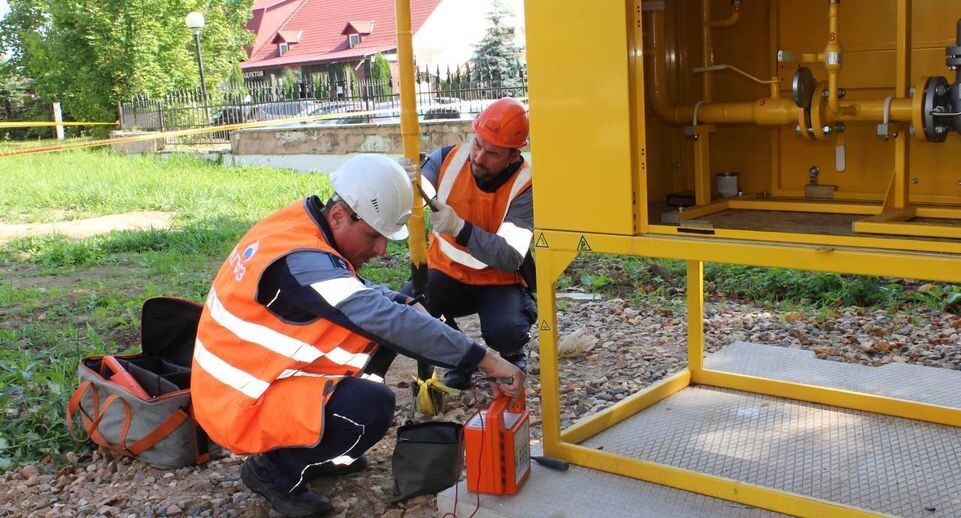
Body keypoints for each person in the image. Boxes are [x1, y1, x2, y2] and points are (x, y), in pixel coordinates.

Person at [190, 154, 524, 517]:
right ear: (338, 216)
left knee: (387, 328)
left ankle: (318, 446)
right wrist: (485, 359)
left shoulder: (299, 227)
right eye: (373, 236)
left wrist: (406, 301)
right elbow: (381, 317)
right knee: (370, 407)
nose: (381, 250)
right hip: (238, 405)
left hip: (251, 380)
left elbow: (361, 291)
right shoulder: (299, 264)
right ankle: (274, 470)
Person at [400, 97, 535, 390]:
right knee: (412, 309)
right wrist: (403, 183)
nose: (479, 157)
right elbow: (420, 186)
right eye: (478, 144)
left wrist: (461, 228)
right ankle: (462, 357)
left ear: (514, 155)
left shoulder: (525, 187)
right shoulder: (446, 159)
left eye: (493, 153)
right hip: (445, 274)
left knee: (507, 329)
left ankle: (512, 353)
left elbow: (511, 255)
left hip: (498, 283)